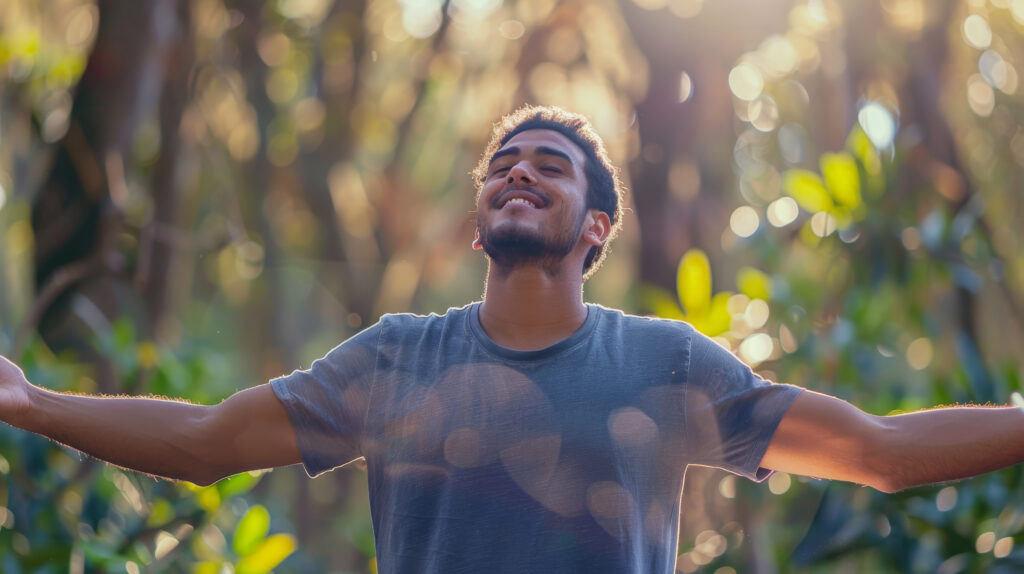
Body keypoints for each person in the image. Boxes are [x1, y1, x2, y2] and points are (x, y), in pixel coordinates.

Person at [1, 105, 1023, 573]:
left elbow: (878, 455)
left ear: (594, 230)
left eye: (550, 166)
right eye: (502, 165)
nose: (518, 173)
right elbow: (204, 441)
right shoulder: (395, 356)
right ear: (480, 210)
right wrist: (32, 403)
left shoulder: (666, 363)